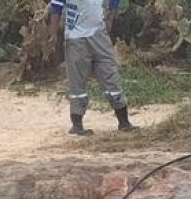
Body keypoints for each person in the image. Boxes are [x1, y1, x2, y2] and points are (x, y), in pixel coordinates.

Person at [50, 0, 137, 135]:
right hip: (76, 38)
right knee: (77, 81)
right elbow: (56, 7)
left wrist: (110, 18)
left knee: (110, 74)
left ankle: (123, 121)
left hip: (98, 34)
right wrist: (53, 34)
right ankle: (77, 124)